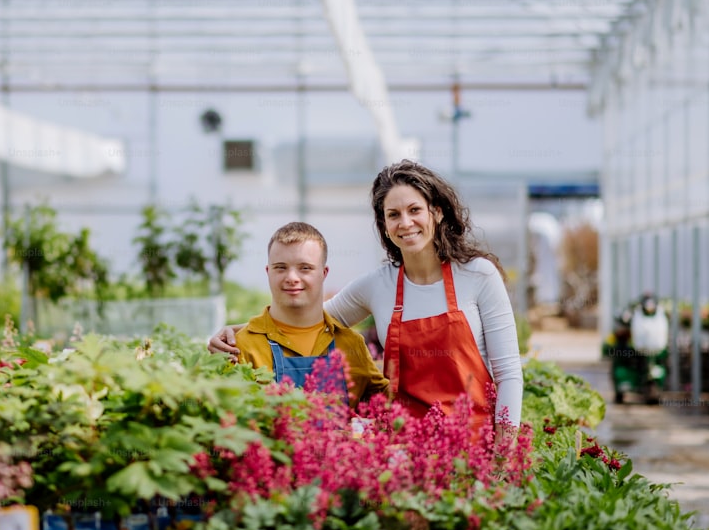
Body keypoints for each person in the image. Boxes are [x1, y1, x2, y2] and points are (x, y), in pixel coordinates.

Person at [210, 160, 523, 436]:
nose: (405, 222)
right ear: (385, 226)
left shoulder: (477, 275)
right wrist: (238, 332)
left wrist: (503, 457)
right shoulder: (378, 286)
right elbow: (308, 319)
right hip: (404, 447)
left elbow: (509, 374)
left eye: (414, 210)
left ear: (437, 212)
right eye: (393, 214)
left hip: (474, 444)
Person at [233, 221, 389, 409]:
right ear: (268, 272)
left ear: (323, 273)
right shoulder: (243, 345)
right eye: (280, 267)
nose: (291, 277)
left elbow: (387, 405)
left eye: (305, 268)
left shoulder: (350, 344)